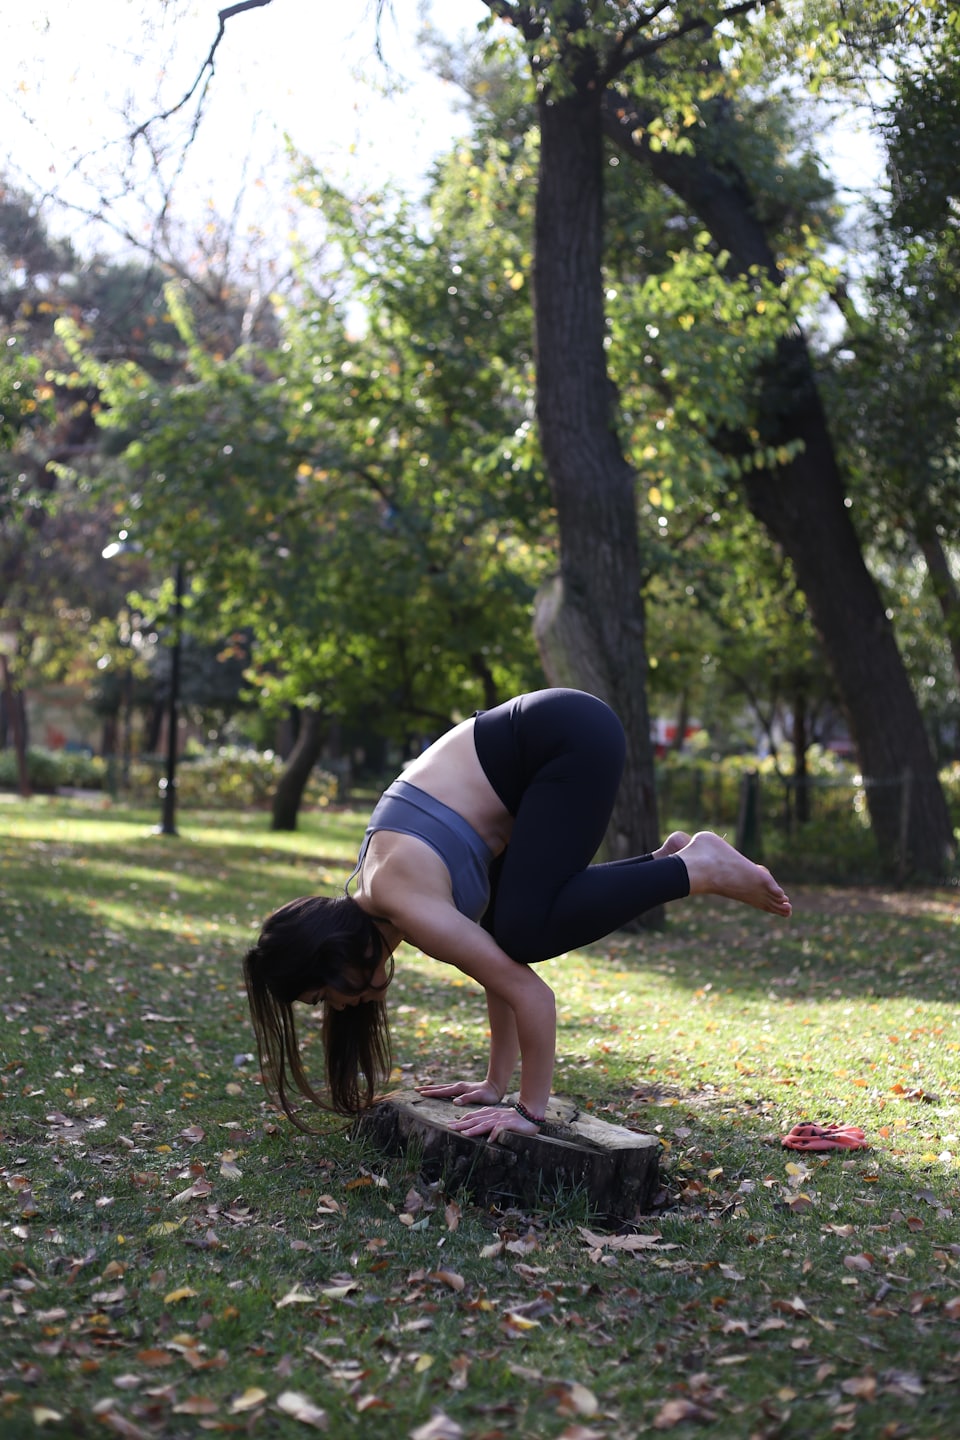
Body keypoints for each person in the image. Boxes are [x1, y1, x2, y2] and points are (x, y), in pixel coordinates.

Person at [243, 688, 791, 1138]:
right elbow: (496, 968)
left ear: (328, 952)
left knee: (525, 932)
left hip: (566, 739)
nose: (338, 1006)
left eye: (322, 996)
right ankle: (669, 861)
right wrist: (494, 1084)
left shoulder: (404, 903)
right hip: (554, 736)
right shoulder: (386, 893)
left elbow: (531, 994)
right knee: (511, 933)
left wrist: (529, 1111)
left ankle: (696, 868)